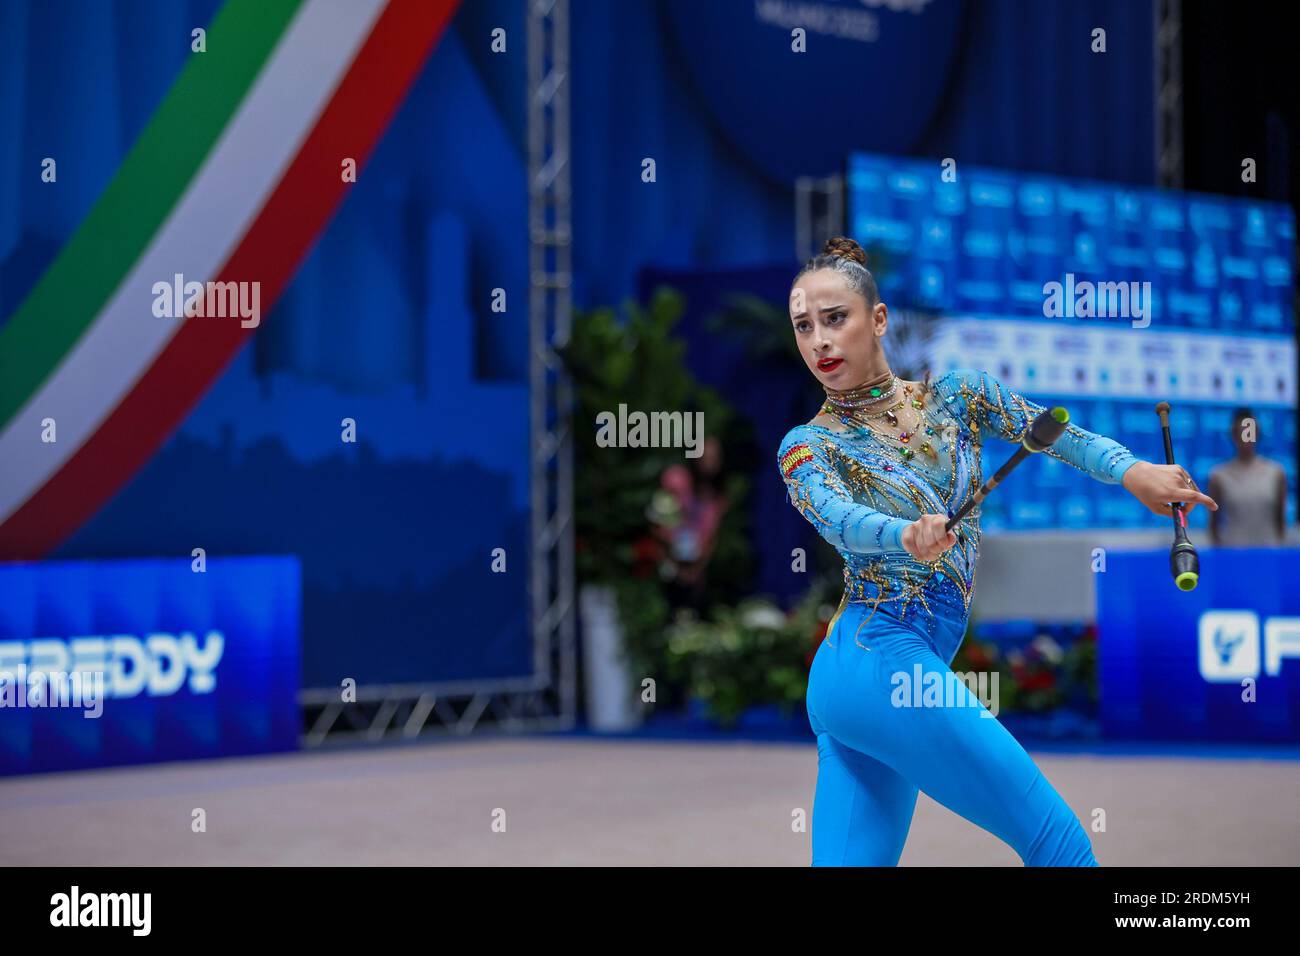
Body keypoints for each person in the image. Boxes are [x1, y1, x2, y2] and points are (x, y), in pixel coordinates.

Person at [778, 236, 1217, 866]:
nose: (819, 340)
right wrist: (902, 534)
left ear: (877, 320)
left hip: (878, 675)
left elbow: (1055, 433)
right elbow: (837, 519)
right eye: (803, 326)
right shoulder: (808, 445)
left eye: (834, 319)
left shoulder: (959, 397)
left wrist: (1133, 472)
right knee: (1059, 844)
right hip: (876, 661)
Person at [1207, 407, 1287, 546]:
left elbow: (1280, 520)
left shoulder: (1276, 473)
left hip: (1269, 552)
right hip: (1234, 553)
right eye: (1241, 432)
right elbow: (1214, 524)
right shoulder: (1219, 475)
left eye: (1250, 431)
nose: (1246, 437)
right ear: (1233, 435)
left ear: (1258, 434)